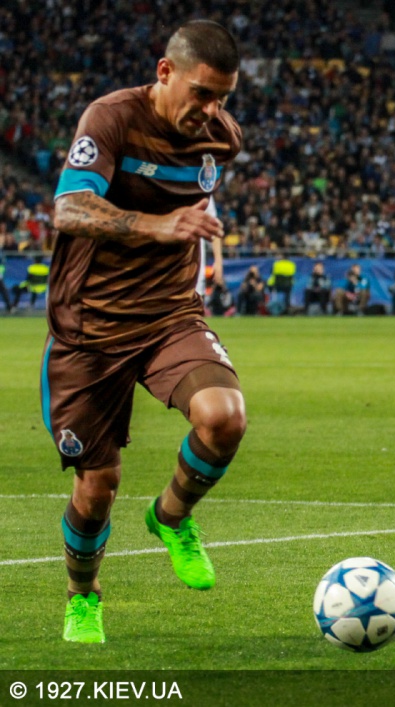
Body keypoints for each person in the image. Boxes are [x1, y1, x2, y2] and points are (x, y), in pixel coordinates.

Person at [44, 20, 245, 643]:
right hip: (90, 328)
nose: (210, 110)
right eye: (202, 93)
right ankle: (83, 597)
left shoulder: (222, 139)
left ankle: (172, 517)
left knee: (224, 418)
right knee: (97, 488)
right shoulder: (111, 119)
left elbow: (196, 207)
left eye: (222, 98)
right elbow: (68, 207)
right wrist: (157, 226)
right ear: (165, 72)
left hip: (169, 316)